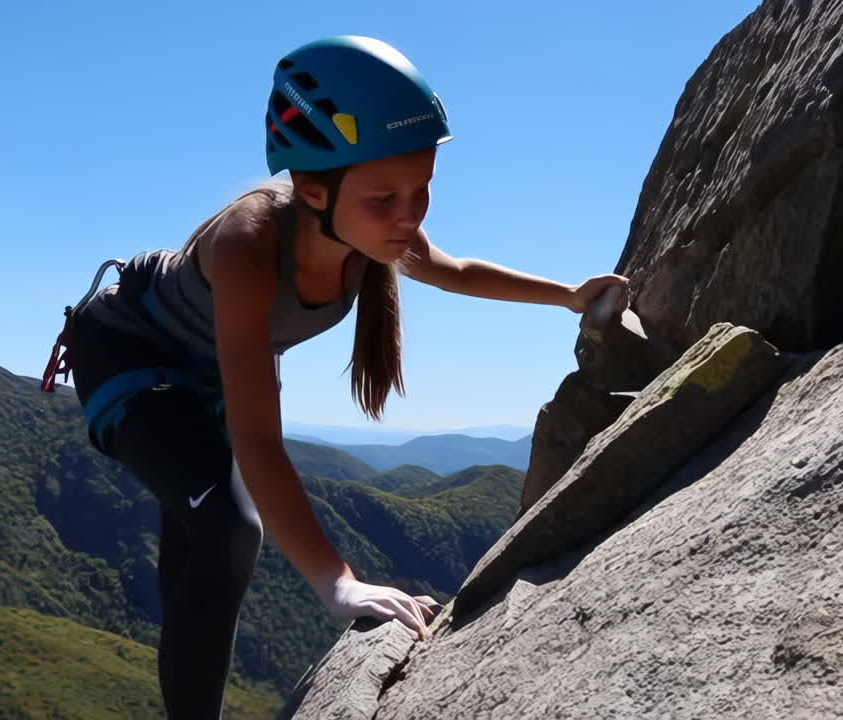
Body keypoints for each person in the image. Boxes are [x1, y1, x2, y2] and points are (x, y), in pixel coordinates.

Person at [39, 35, 628, 718]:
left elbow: (457, 270)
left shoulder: (374, 229)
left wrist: (568, 295)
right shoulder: (249, 242)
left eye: (423, 190)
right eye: (384, 197)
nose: (409, 215)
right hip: (131, 354)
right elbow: (259, 441)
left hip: (210, 375)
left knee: (203, 549)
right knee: (229, 531)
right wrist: (337, 581)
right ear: (315, 188)